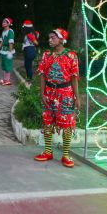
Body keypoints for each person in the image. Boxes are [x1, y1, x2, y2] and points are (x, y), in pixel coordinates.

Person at [34, 28, 80, 168]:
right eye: (49, 37)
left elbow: (74, 78)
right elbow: (42, 75)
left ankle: (65, 154)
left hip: (65, 94)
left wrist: (77, 98)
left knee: (67, 125)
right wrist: (42, 93)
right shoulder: (46, 55)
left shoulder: (71, 56)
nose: (50, 40)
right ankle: (48, 151)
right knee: (47, 122)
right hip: (49, 93)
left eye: (53, 37)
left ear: (61, 39)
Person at [0, 18, 15, 86]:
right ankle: (5, 79)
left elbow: (11, 43)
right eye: (3, 22)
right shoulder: (3, 31)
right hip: (3, 51)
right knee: (4, 65)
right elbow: (2, 41)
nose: (3, 23)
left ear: (8, 23)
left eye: (5, 22)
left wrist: (10, 52)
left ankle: (8, 80)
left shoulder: (10, 31)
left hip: (7, 51)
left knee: (7, 65)